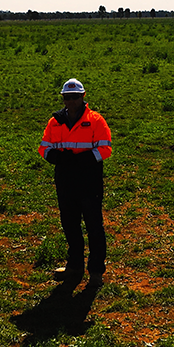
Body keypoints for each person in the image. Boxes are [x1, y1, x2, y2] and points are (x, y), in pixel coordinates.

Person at [39, 78, 112, 287]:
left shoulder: (96, 120)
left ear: (83, 97)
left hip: (89, 180)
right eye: (68, 98)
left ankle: (96, 271)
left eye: (75, 97)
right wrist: (59, 159)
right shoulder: (55, 122)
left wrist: (81, 160)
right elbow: (44, 147)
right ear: (63, 98)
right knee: (70, 225)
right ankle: (75, 266)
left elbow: (105, 148)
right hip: (65, 180)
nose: (71, 102)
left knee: (94, 227)